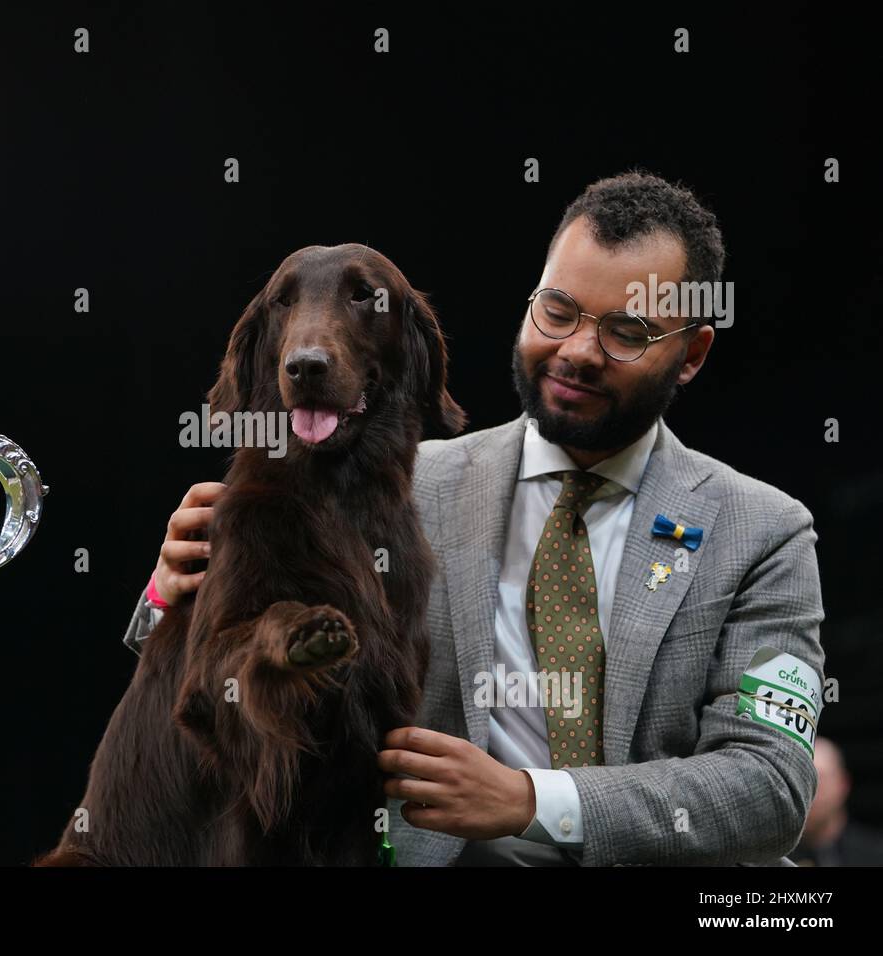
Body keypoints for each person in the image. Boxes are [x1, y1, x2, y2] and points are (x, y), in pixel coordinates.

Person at [123, 172, 825, 866]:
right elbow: (234, 690)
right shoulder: (399, 489)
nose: (576, 351)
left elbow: (770, 786)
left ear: (692, 354)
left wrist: (531, 800)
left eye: (626, 332)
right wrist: (169, 600)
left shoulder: (763, 532)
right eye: (558, 311)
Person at [791, 737, 883, 865]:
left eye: (820, 780)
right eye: (801, 780)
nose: (810, 791)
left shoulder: (875, 855)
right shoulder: (769, 857)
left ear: (843, 784)